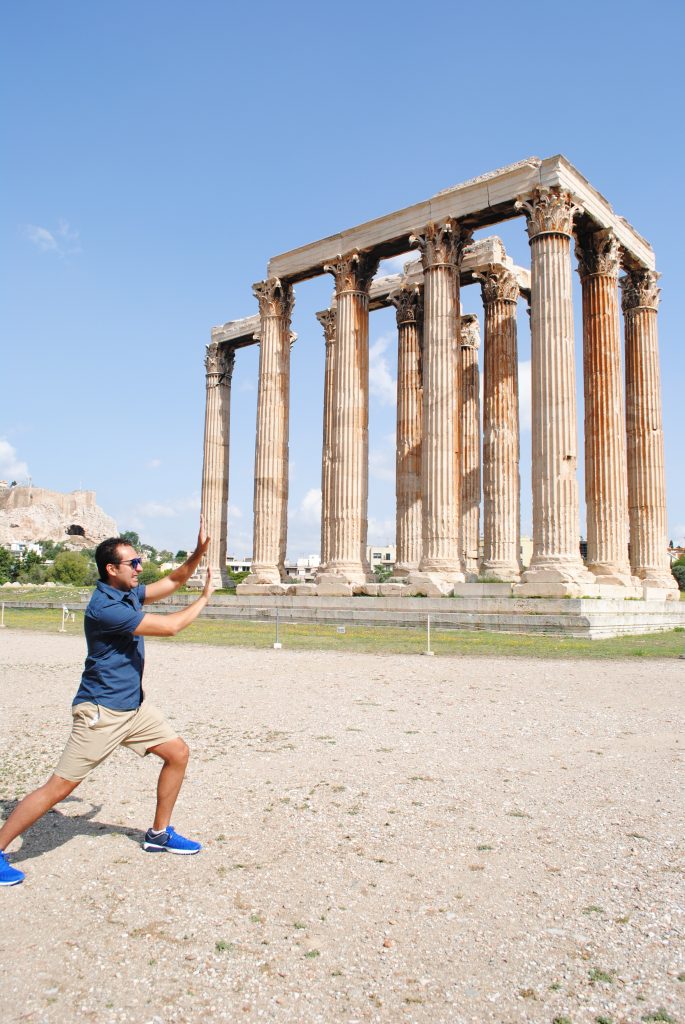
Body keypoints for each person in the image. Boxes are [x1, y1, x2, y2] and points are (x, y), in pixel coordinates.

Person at [0, 518, 216, 886]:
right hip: (102, 711)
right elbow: (170, 627)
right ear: (111, 569)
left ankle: (159, 835)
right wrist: (206, 597)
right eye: (133, 563)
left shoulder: (127, 593)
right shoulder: (106, 608)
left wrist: (198, 554)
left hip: (132, 707)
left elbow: (174, 580)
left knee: (177, 753)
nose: (140, 567)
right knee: (60, 787)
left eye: (139, 561)